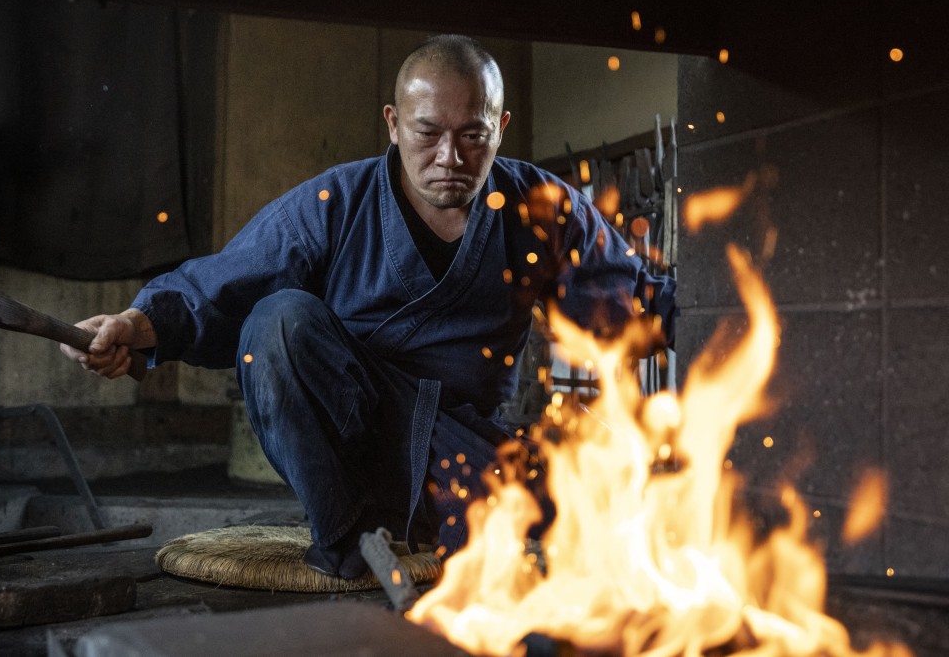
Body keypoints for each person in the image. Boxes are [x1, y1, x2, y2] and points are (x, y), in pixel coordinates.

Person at [60, 34, 677, 580]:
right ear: (392, 121)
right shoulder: (336, 201)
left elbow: (629, 303)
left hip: (461, 452)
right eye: (427, 132)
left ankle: (438, 526)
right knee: (276, 322)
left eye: (473, 136)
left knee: (598, 499)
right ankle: (349, 538)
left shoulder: (540, 207)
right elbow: (220, 285)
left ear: (501, 126)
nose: (450, 158)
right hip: (354, 444)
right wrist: (138, 327)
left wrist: (734, 323)